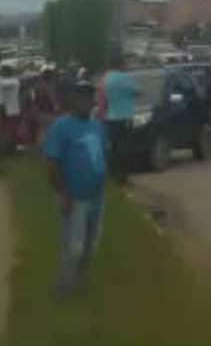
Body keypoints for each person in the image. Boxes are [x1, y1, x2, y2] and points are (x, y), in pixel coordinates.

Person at [44, 79, 107, 298]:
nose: (86, 101)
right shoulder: (61, 127)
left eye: (90, 97)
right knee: (74, 247)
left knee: (92, 246)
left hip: (97, 197)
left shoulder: (97, 126)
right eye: (81, 96)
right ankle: (63, 288)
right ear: (72, 100)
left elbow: (101, 155)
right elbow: (52, 163)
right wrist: (63, 193)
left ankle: (80, 284)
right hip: (74, 198)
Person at [102, 56, 138, 184]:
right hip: (125, 117)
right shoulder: (124, 78)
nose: (126, 67)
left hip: (111, 117)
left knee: (114, 147)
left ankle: (112, 173)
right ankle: (123, 176)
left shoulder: (106, 78)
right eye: (125, 65)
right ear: (121, 65)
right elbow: (136, 91)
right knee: (125, 148)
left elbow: (103, 96)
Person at [0, 65, 21, 154]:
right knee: (4, 129)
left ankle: (11, 149)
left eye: (3, 71)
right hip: (4, 108)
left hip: (12, 109)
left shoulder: (14, 81)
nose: (2, 73)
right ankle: (5, 148)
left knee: (11, 130)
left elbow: (3, 84)